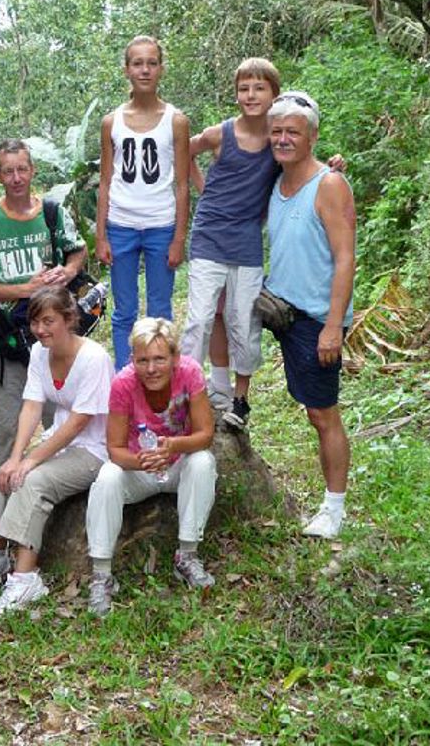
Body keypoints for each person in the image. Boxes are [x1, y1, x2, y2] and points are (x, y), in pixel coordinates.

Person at [0, 139, 88, 593]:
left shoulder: (51, 213)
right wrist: (24, 291)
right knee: (8, 441)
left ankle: (43, 534)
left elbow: (78, 252)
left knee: (65, 439)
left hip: (58, 344)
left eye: (22, 169)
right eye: (7, 171)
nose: (16, 178)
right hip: (8, 344)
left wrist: (66, 275)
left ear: (32, 170)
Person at [0, 286, 114, 615]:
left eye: (48, 321)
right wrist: (16, 458)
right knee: (8, 471)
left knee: (33, 480)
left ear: (69, 319)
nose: (40, 330)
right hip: (60, 440)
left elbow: (78, 422)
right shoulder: (40, 355)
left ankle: (26, 578)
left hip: (95, 449)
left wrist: (30, 461)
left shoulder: (94, 358)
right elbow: (31, 406)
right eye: (35, 322)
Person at [265, 91, 356, 539]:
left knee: (323, 414)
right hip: (282, 312)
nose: (283, 139)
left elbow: (344, 258)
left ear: (312, 137)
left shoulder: (329, 185)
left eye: (293, 132)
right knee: (312, 411)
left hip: (317, 319)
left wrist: (333, 326)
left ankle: (334, 509)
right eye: (277, 131)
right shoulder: (276, 180)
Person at [85, 318, 217, 617]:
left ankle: (187, 555)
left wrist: (173, 446)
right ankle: (102, 574)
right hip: (139, 467)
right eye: (143, 360)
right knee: (107, 477)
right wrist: (142, 461)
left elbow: (205, 435)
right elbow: (115, 449)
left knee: (203, 462)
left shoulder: (190, 374)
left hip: (177, 462)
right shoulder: (123, 383)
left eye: (160, 359)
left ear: (174, 357)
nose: (152, 368)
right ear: (133, 359)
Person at [179, 57, 279, 428]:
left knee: (243, 321)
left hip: (248, 241)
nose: (250, 95)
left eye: (259, 88)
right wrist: (203, 189)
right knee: (201, 318)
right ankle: (188, 395)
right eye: (243, 88)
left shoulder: (278, 136)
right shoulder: (220, 133)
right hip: (209, 235)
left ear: (274, 94)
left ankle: (239, 400)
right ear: (236, 94)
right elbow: (185, 151)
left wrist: (332, 165)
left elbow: (302, 166)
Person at [95, 35, 190, 371]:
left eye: (152, 63)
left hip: (160, 225)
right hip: (121, 224)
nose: (145, 69)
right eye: (138, 63)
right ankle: (126, 375)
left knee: (160, 308)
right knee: (124, 310)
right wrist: (101, 235)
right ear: (127, 70)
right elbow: (106, 180)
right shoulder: (112, 122)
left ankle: (160, 374)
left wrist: (179, 237)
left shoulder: (175, 120)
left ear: (161, 69)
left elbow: (181, 183)